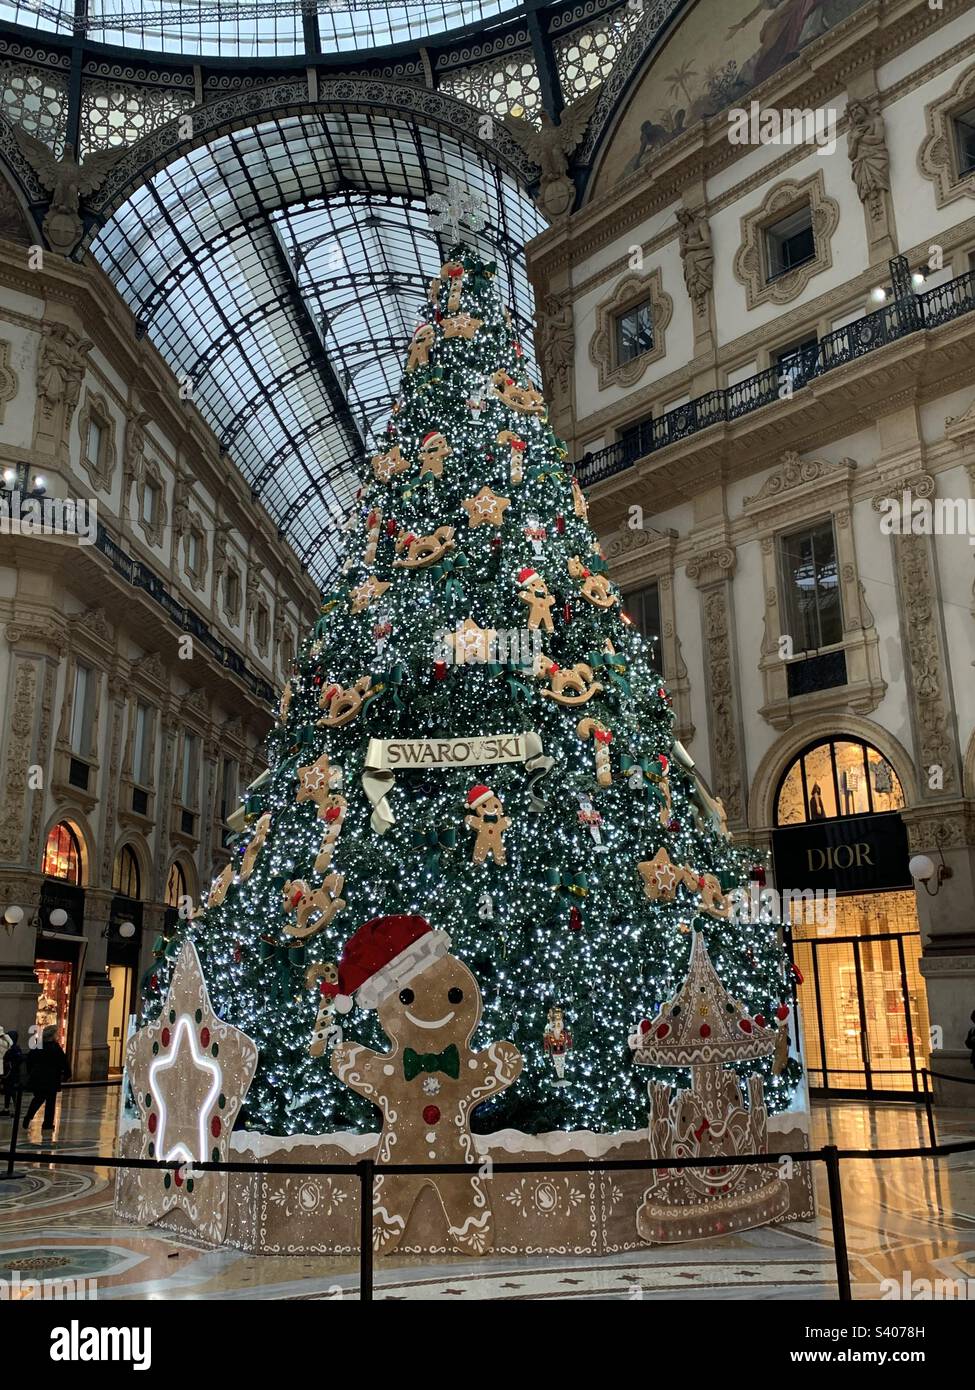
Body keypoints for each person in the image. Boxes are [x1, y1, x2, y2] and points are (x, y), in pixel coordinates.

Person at [22, 1025, 70, 1132]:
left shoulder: (38, 1046)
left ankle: (28, 1117)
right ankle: (47, 1124)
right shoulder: (55, 1047)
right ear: (53, 1035)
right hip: (51, 1078)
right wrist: (67, 1074)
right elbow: (63, 1062)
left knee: (37, 1098)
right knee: (50, 1101)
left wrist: (31, 1073)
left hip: (38, 1077)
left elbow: (29, 1060)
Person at [1, 1029, 24, 1114]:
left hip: (12, 1073)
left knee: (12, 1091)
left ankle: (16, 1108)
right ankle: (6, 1108)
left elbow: (20, 1059)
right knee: (7, 1091)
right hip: (7, 1072)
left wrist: (11, 1063)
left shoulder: (15, 1048)